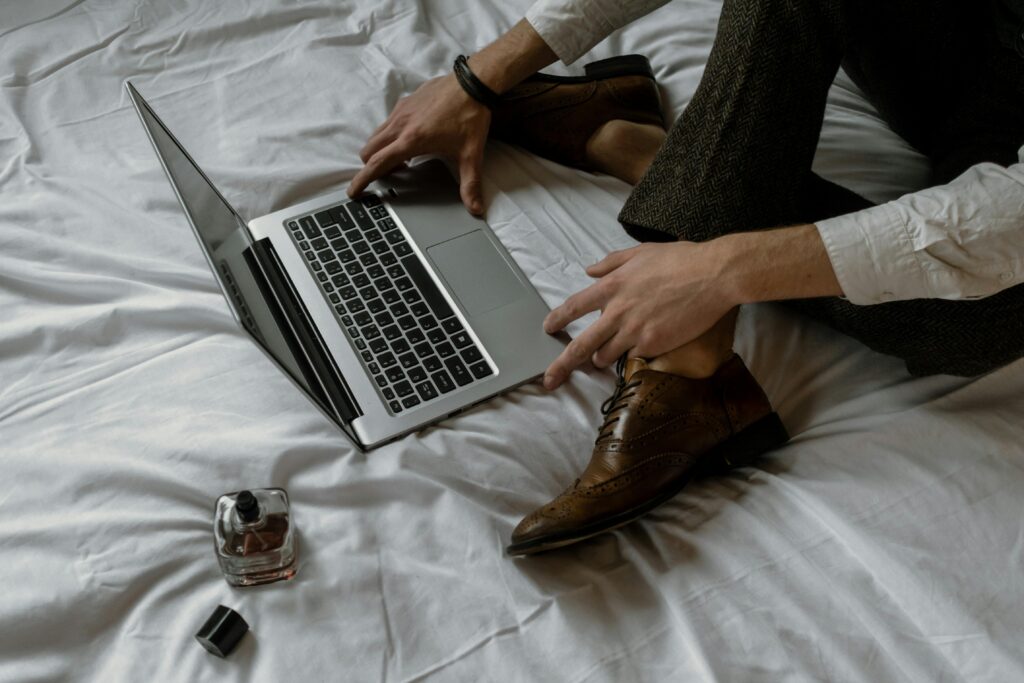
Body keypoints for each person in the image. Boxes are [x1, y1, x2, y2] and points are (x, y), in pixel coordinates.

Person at [348, 0, 1024, 555]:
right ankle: (690, 363)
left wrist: (719, 270)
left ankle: (651, 154)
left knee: (969, 318)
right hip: (971, 52)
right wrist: (483, 76)